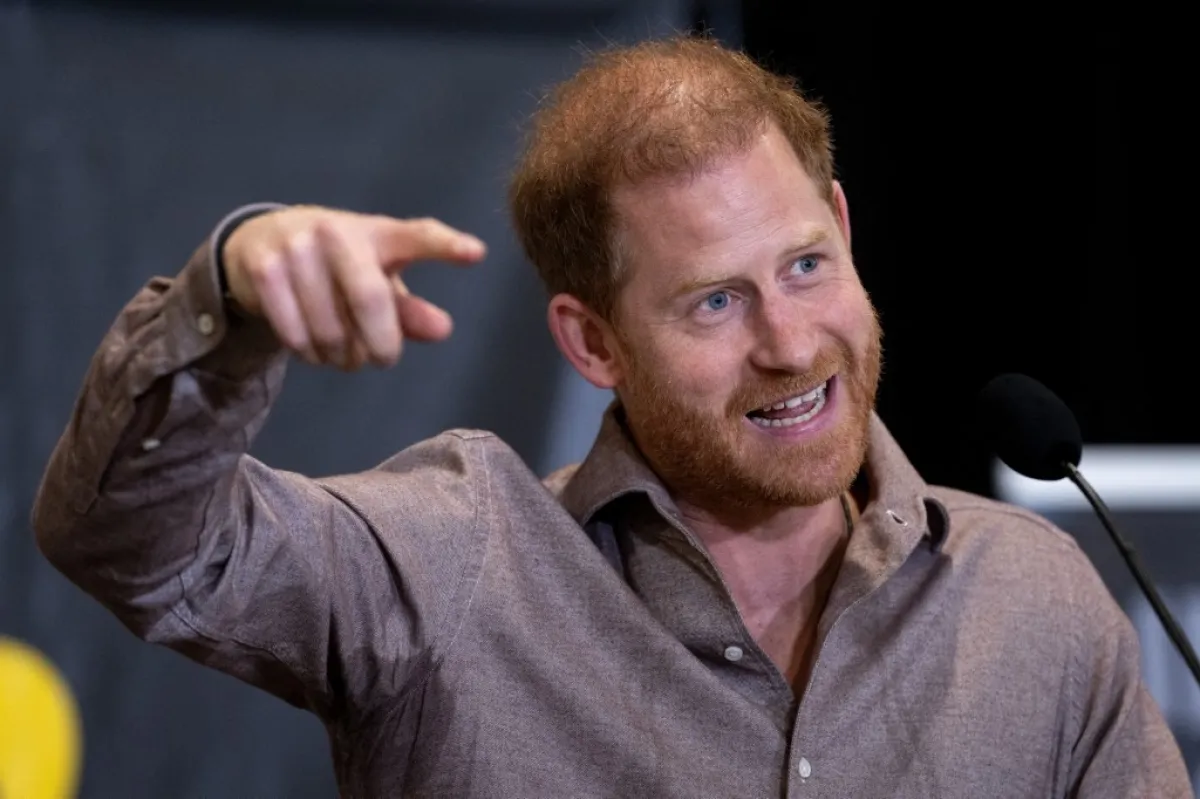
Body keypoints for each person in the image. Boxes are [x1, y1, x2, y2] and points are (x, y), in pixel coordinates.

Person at [33, 35, 1191, 798]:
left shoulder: (1031, 601)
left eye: (804, 265)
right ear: (593, 342)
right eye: (715, 301)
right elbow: (132, 542)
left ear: (843, 224)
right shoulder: (456, 567)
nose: (790, 344)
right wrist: (232, 289)